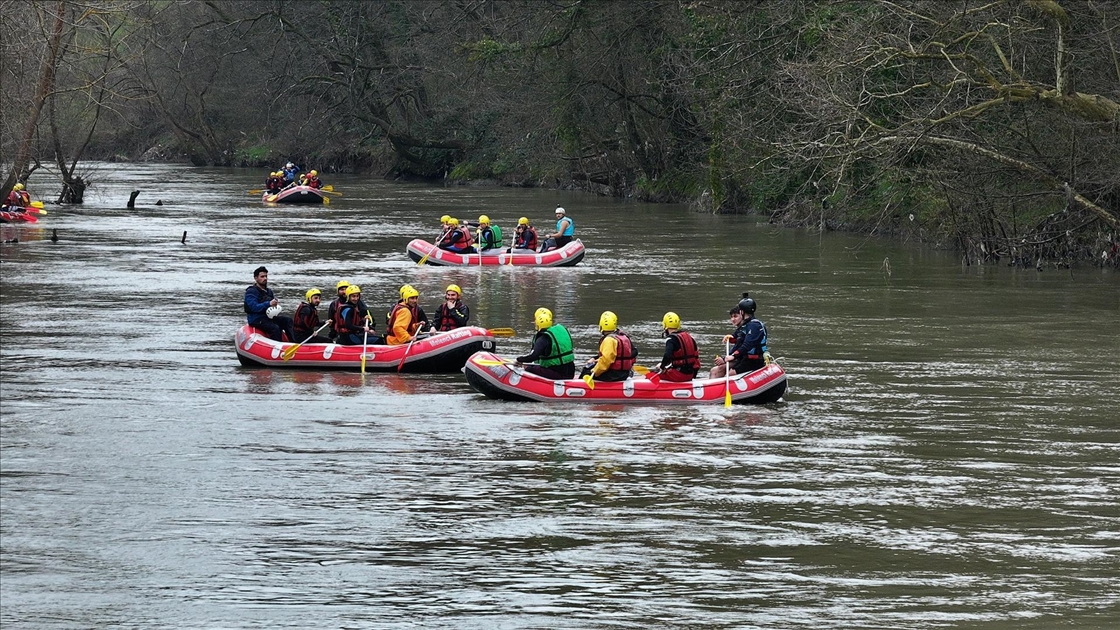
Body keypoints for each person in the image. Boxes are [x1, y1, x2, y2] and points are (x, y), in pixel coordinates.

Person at [709, 293, 771, 379]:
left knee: (730, 374)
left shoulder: (755, 325)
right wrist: (730, 337)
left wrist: (732, 356)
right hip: (744, 358)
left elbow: (747, 345)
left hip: (755, 360)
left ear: (742, 312)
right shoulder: (745, 325)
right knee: (716, 370)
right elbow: (737, 337)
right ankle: (713, 389)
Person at [515, 307, 576, 380]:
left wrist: (518, 360)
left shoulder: (543, 338)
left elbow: (533, 357)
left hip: (557, 373)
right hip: (570, 371)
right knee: (532, 366)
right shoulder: (560, 331)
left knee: (529, 369)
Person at [580, 310, 637, 382]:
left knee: (586, 371)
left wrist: (594, 371)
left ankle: (579, 388)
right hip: (624, 373)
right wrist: (595, 359)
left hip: (613, 375)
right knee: (592, 366)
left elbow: (606, 360)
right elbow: (614, 356)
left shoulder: (609, 340)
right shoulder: (623, 337)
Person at [243, 265, 296, 343]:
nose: (265, 278)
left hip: (268, 317)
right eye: (262, 276)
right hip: (256, 319)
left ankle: (294, 343)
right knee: (274, 328)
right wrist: (269, 303)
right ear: (256, 278)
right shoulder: (251, 292)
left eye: (266, 276)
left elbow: (271, 307)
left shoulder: (269, 291)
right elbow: (254, 307)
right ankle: (277, 347)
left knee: (287, 320)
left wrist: (275, 306)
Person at [645, 312, 701, 382]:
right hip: (690, 374)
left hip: (679, 375)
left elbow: (667, 355)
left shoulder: (670, 339)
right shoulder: (689, 337)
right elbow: (695, 358)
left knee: (650, 375)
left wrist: (662, 367)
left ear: (665, 325)